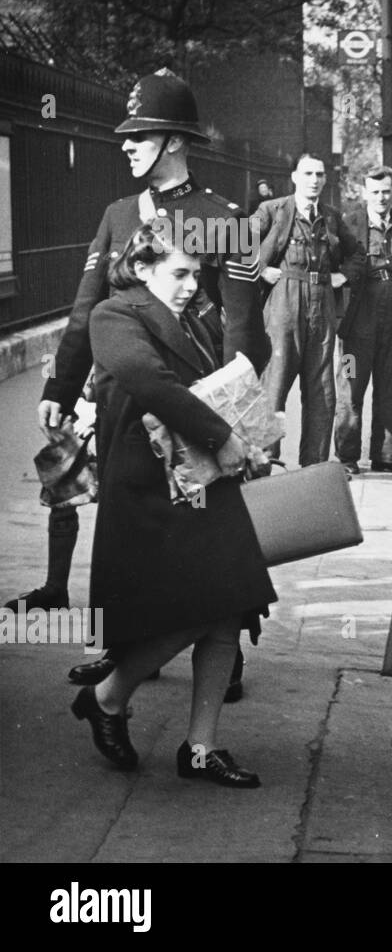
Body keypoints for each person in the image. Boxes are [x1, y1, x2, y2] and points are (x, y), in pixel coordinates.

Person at [37, 68, 269, 693]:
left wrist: (232, 415)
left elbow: (243, 325)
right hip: (124, 405)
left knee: (203, 521)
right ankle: (127, 647)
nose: (127, 145)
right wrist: (60, 389)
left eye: (139, 135)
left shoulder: (221, 218)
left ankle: (223, 648)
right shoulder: (119, 214)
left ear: (172, 140)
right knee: (129, 526)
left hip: (195, 401)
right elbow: (88, 309)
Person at [70, 227, 277, 787]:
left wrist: (245, 296)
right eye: (179, 273)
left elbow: (243, 361)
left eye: (196, 273)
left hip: (201, 479)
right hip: (148, 486)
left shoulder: (195, 316)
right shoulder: (114, 315)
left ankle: (202, 748)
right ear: (143, 268)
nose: (191, 285)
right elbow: (151, 381)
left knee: (231, 603)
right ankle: (108, 697)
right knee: (198, 608)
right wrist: (224, 438)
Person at [252, 153, 363, 467]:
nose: (314, 180)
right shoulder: (272, 210)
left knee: (322, 389)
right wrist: (259, 269)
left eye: (320, 174)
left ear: (325, 179)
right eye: (308, 174)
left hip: (322, 302)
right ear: (295, 177)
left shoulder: (330, 216)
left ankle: (313, 465)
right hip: (284, 304)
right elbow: (238, 242)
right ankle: (264, 463)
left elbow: (357, 255)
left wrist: (344, 276)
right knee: (275, 384)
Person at [334, 165, 392, 475]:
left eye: (386, 191)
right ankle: (346, 459)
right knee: (351, 387)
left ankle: (387, 456)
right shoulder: (349, 224)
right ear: (364, 193)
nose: (382, 198)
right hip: (359, 321)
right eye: (375, 192)